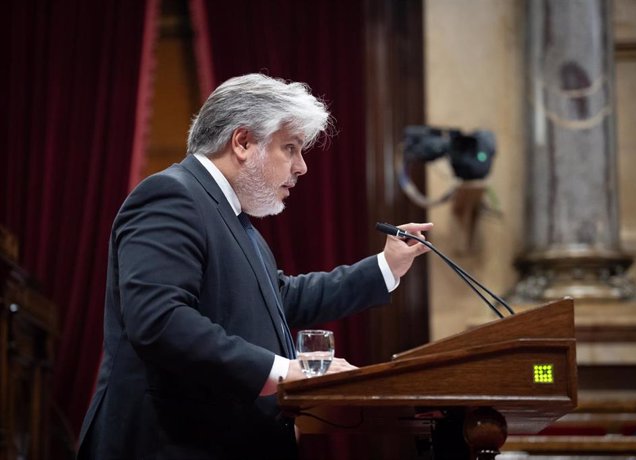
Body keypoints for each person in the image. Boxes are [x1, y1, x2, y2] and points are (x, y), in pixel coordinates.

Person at [76, 73, 432, 459]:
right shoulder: (171, 196)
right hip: (167, 444)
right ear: (243, 142)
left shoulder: (237, 223)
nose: (302, 167)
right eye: (291, 148)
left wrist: (386, 266)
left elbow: (278, 299)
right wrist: (284, 372)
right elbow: (160, 320)